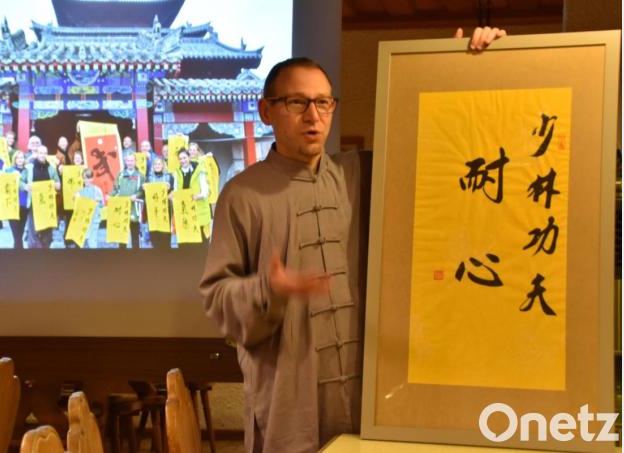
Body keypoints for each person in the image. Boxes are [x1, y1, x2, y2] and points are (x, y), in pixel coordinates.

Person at [199, 26, 505, 453]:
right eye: (297, 102)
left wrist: (460, 66)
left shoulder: (360, 174)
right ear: (266, 110)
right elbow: (217, 298)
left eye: (324, 102)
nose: (314, 116)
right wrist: (271, 289)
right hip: (292, 406)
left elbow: (439, 148)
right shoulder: (243, 194)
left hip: (373, 404)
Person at [21, 145, 61, 248]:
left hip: (48, 205)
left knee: (47, 231)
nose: (42, 155)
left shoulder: (51, 168)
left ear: (46, 154)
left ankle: (45, 251)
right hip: (34, 204)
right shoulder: (29, 167)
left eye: (44, 153)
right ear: (37, 154)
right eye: (40, 153)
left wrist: (57, 185)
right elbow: (19, 181)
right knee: (33, 231)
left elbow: (58, 183)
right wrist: (25, 186)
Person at [171, 149, 210, 246]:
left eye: (184, 158)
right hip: (185, 211)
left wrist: (199, 196)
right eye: (180, 159)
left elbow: (205, 190)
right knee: (187, 241)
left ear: (189, 157)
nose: (183, 160)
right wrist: (173, 196)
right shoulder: (177, 173)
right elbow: (176, 190)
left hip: (199, 208)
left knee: (201, 240)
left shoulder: (199, 170)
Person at [108, 152, 145, 249]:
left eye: (132, 160)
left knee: (135, 236)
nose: (130, 163)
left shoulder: (141, 176)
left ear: (135, 161)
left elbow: (143, 191)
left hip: (134, 209)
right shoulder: (120, 175)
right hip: (122, 209)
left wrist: (136, 195)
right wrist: (110, 196)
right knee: (122, 237)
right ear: (125, 162)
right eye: (128, 161)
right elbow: (115, 189)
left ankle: (136, 257)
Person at [146, 155, 174, 250]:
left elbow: (174, 190)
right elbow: (144, 192)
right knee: (154, 229)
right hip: (153, 208)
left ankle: (166, 250)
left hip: (165, 208)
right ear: (153, 166)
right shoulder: (149, 178)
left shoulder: (169, 176)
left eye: (159, 164)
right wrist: (144, 187)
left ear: (163, 165)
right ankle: (156, 250)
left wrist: (171, 191)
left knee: (165, 230)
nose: (157, 166)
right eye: (155, 164)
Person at [4, 151, 29, 249]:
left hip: (24, 204)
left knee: (21, 230)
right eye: (18, 158)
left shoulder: (28, 171)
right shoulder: (8, 170)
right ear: (15, 159)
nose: (20, 160)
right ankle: (19, 249)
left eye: (22, 157)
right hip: (12, 204)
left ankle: (17, 249)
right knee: (16, 231)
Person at [74, 168, 104, 248]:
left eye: (88, 178)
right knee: (82, 243)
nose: (86, 180)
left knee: (92, 242)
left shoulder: (97, 190)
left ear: (92, 178)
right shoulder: (80, 191)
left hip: (94, 220)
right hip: (83, 220)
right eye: (84, 178)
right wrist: (76, 199)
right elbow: (77, 207)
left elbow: (102, 205)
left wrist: (99, 200)